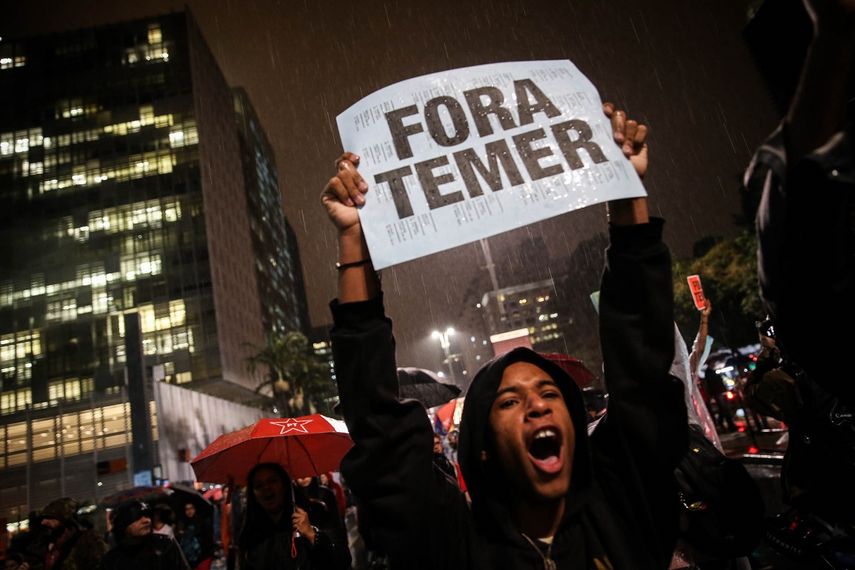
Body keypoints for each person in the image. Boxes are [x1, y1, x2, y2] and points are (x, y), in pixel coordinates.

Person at [322, 104, 687, 569]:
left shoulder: (624, 506)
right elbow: (381, 432)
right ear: (482, 447)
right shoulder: (456, 546)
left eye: (550, 392)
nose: (537, 405)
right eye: (509, 402)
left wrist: (626, 190)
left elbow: (641, 363)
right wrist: (354, 242)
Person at [237, 463, 345, 569]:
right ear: (254, 495)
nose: (266, 488)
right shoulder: (250, 531)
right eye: (259, 485)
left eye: (272, 481)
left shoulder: (315, 512)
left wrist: (312, 535)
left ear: (284, 485)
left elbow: (342, 559)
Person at [99, 500, 190, 570]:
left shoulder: (165, 545)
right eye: (138, 517)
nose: (147, 521)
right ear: (123, 524)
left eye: (147, 516)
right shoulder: (111, 560)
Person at [38, 497, 106, 570]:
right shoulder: (53, 542)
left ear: (65, 520)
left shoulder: (88, 540)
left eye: (50, 518)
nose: (44, 522)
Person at [176, 503, 214, 570]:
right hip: (188, 558)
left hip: (201, 557)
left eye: (191, 508)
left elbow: (207, 540)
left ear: (195, 509)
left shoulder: (202, 522)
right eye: (187, 509)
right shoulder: (183, 523)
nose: (189, 511)